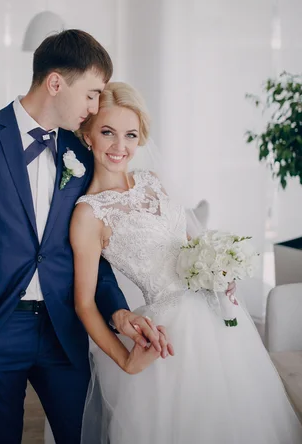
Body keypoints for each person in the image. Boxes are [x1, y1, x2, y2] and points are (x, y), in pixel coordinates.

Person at [0, 30, 171, 444]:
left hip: (65, 331)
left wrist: (118, 311)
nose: (93, 108)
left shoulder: (82, 150)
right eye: (90, 94)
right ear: (55, 83)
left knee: (81, 436)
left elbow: (96, 251)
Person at [71, 81, 302, 443]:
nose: (120, 147)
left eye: (130, 135)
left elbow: (191, 246)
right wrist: (125, 360)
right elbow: (84, 303)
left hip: (219, 320)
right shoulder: (89, 213)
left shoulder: (153, 182)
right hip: (170, 334)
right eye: (107, 132)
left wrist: (220, 270)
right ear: (87, 135)